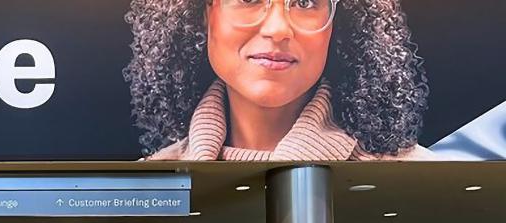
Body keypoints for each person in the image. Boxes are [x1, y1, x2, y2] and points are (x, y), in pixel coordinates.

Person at [126, 0, 434, 161]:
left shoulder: (420, 180)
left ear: (338, 19)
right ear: (206, 11)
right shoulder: (150, 191)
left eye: (304, 1)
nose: (277, 28)